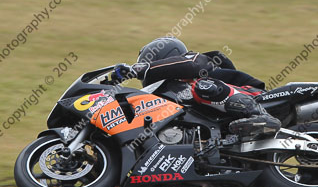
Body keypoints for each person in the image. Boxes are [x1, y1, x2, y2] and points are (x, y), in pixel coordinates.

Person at [114, 37, 281, 138]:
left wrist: (139, 68)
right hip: (227, 123)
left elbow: (191, 66)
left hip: (254, 96)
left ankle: (259, 115)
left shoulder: (195, 61)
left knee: (199, 86)